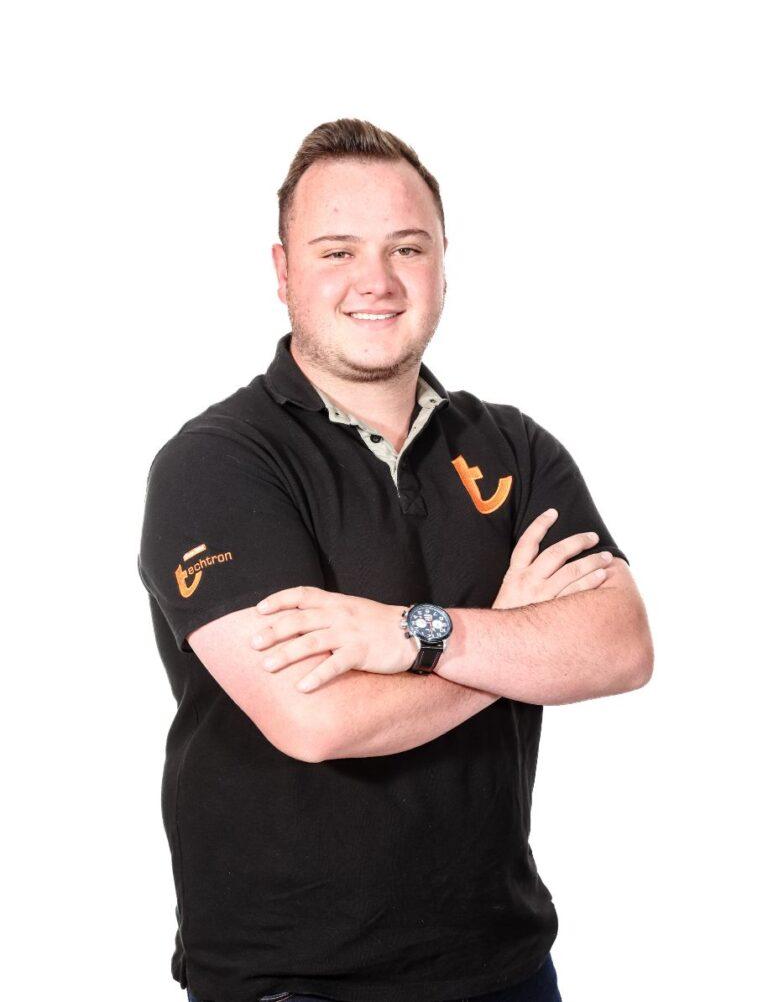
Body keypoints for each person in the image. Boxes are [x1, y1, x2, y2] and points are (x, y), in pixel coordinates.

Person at [138, 118, 654, 1002]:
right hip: (293, 980)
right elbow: (318, 720)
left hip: (507, 963)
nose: (375, 281)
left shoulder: (514, 448)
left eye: (406, 248)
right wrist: (512, 642)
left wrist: (407, 633)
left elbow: (620, 648)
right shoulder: (218, 464)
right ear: (283, 272)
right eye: (336, 251)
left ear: (443, 264)